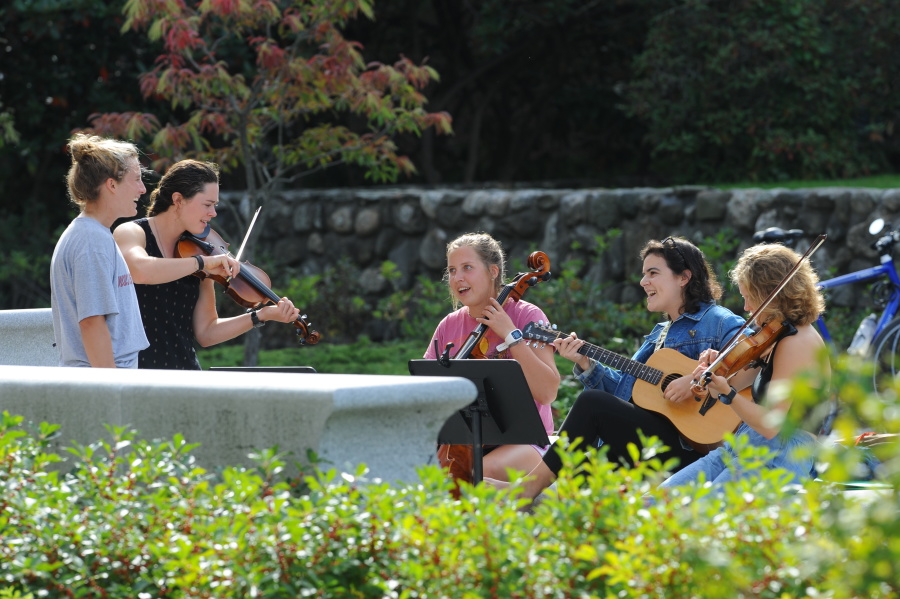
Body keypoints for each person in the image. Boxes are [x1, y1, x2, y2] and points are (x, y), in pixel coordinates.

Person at [488, 236, 746, 501]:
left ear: (684, 277)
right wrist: (585, 363)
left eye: (653, 273)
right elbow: (625, 391)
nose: (643, 282)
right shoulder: (659, 335)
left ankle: (527, 489)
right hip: (653, 444)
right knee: (585, 471)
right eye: (644, 274)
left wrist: (694, 381)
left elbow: (753, 359)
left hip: (692, 447)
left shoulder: (716, 320)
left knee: (592, 403)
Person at [659, 242, 830, 489]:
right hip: (745, 445)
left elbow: (773, 425)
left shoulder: (797, 343)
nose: (747, 308)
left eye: (750, 298)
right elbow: (735, 383)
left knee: (700, 513)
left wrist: (727, 395)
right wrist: (715, 369)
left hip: (779, 456)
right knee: (659, 498)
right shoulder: (774, 337)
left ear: (771, 295)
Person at [113, 159, 300, 369]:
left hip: (186, 374)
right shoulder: (131, 233)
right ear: (178, 200)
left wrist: (261, 315)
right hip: (139, 374)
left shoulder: (201, 250)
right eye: (207, 205)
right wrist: (202, 263)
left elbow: (206, 332)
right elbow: (140, 270)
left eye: (215, 205)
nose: (214, 213)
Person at [424, 232, 561, 482]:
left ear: (493, 271)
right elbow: (425, 392)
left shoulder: (527, 316)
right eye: (452, 270)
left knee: (475, 474)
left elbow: (547, 392)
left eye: (467, 267)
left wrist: (511, 335)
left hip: (527, 443)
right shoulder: (449, 325)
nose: (458, 278)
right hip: (465, 444)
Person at [50, 133, 150, 368]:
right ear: (112, 184)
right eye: (136, 179)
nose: (143, 189)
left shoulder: (94, 234)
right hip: (102, 389)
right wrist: (112, 393)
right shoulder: (91, 242)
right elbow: (92, 323)